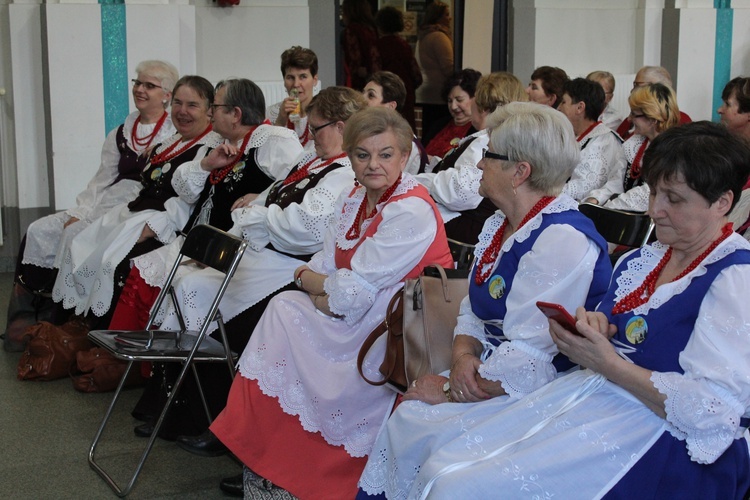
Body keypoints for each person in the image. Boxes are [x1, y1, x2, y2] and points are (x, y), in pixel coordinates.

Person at [363, 120, 750, 499]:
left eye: (674, 199)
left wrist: (606, 362)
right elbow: (627, 332)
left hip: (660, 436)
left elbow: (714, 413)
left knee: (458, 484)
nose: (655, 210)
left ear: (723, 203)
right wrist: (596, 328)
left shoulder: (735, 278)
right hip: (598, 398)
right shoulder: (644, 261)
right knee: (429, 446)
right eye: (653, 194)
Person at [357, 101, 614, 498]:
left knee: (441, 461)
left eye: (487, 154)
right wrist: (460, 359)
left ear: (520, 171)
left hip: (539, 388)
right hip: (488, 371)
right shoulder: (502, 224)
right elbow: (472, 311)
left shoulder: (561, 239)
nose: (478, 165)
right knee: (408, 416)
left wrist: (447, 391)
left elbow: (530, 359)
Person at [207, 107, 454, 499]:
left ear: (405, 157)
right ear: (349, 156)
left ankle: (308, 470)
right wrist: (315, 283)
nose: (373, 165)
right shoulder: (354, 195)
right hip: (358, 310)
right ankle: (272, 457)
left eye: (386, 154)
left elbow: (349, 294)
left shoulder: (410, 208)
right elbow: (325, 264)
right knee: (282, 310)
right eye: (362, 154)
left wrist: (311, 283)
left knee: (289, 311)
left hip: (399, 329)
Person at [3, 60, 178, 351]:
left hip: (138, 205)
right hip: (108, 198)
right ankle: (30, 319)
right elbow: (101, 179)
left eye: (149, 85)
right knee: (38, 229)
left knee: (75, 237)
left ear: (166, 95)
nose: (140, 89)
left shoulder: (173, 134)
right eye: (137, 83)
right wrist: (80, 211)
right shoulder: (121, 132)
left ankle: (66, 321)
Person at [109, 78, 302, 333]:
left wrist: (262, 196)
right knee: (141, 272)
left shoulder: (274, 140)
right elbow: (185, 191)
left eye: (215, 106)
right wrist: (206, 165)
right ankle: (129, 356)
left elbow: (297, 184)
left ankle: (160, 362)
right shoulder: (215, 141)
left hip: (234, 251)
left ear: (236, 114)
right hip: (195, 241)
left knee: (178, 287)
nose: (209, 113)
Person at [50, 76, 221, 324]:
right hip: (136, 213)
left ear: (209, 111)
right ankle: (71, 330)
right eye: (177, 103)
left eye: (192, 105)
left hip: (166, 226)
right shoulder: (173, 141)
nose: (182, 112)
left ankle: (106, 343)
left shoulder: (210, 147)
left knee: (116, 263)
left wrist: (154, 227)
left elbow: (194, 201)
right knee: (80, 245)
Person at [416, 71, 527, 244]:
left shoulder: (487, 140)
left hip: (468, 232)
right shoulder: (497, 137)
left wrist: (419, 181)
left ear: (482, 104)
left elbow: (462, 193)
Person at [586, 83, 679, 212]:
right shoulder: (635, 143)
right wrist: (595, 199)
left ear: (653, 118)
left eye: (634, 114)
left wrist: (609, 207)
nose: (629, 119)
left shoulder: (675, 149)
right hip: (624, 213)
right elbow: (616, 182)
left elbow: (650, 192)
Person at [557, 77, 627, 201]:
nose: (558, 108)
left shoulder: (604, 141)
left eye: (563, 102)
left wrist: (544, 193)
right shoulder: (573, 134)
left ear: (580, 107)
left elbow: (584, 187)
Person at [363, 71, 426, 174]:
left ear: (390, 106)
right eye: (363, 93)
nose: (362, 99)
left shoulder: (405, 143)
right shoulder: (370, 133)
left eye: (370, 95)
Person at [374, 6, 422, 130]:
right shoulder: (404, 45)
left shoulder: (377, 46)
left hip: (384, 96)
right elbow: (417, 76)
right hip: (406, 94)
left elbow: (375, 73)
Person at [616, 65, 692, 140]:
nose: (633, 90)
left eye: (639, 85)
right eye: (634, 85)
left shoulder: (682, 120)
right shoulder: (632, 118)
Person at [267, 46, 320, 150]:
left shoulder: (323, 114)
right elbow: (268, 153)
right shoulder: (272, 112)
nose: (296, 84)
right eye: (290, 78)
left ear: (314, 80)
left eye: (303, 77)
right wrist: (280, 122)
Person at [423, 68, 482, 158]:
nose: (453, 106)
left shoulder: (479, 130)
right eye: (450, 101)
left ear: (475, 99)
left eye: (459, 100)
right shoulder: (438, 124)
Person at [415, 1, 454, 135]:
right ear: (438, 17)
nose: (450, 18)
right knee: (438, 131)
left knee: (428, 131)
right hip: (438, 93)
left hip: (427, 93)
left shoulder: (424, 35)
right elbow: (448, 67)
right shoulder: (439, 37)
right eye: (446, 15)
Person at [341, 0, 381, 91]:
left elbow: (354, 60)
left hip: (357, 82)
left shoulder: (352, 30)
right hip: (373, 78)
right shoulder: (372, 30)